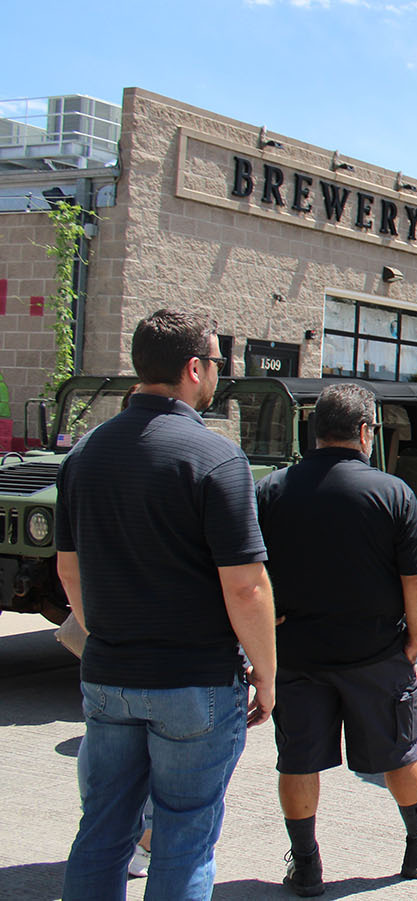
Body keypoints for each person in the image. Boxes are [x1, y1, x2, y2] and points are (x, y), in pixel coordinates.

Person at [58, 309, 277, 899]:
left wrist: (105, 630)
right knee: (184, 841)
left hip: (108, 673)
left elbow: (69, 569)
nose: (216, 377)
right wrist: (268, 673)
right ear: (192, 368)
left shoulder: (85, 454)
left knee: (101, 831)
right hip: (194, 681)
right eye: (214, 365)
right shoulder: (215, 458)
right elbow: (246, 586)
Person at [257, 384, 417, 893]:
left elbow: (252, 571)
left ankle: (305, 863)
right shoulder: (392, 492)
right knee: (400, 751)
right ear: (364, 431)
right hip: (374, 650)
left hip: (298, 652)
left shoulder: (271, 490)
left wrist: (266, 629)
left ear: (315, 431)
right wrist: (414, 643)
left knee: (299, 758)